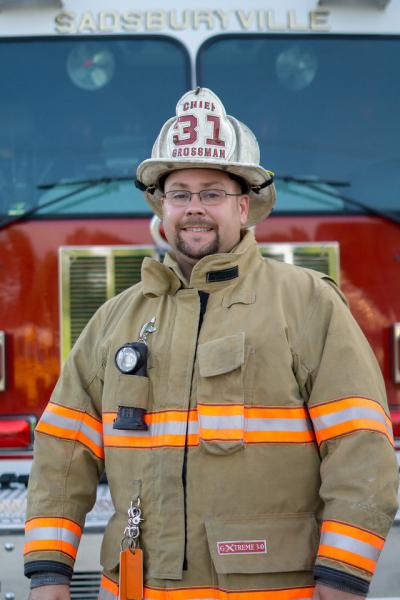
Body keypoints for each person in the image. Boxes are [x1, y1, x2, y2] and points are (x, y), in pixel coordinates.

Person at [25, 87, 399, 600]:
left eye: (211, 194)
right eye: (180, 194)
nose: (193, 208)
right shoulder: (116, 317)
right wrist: (48, 577)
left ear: (244, 208)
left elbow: (360, 449)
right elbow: (62, 454)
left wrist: (341, 580)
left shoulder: (307, 303)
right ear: (162, 208)